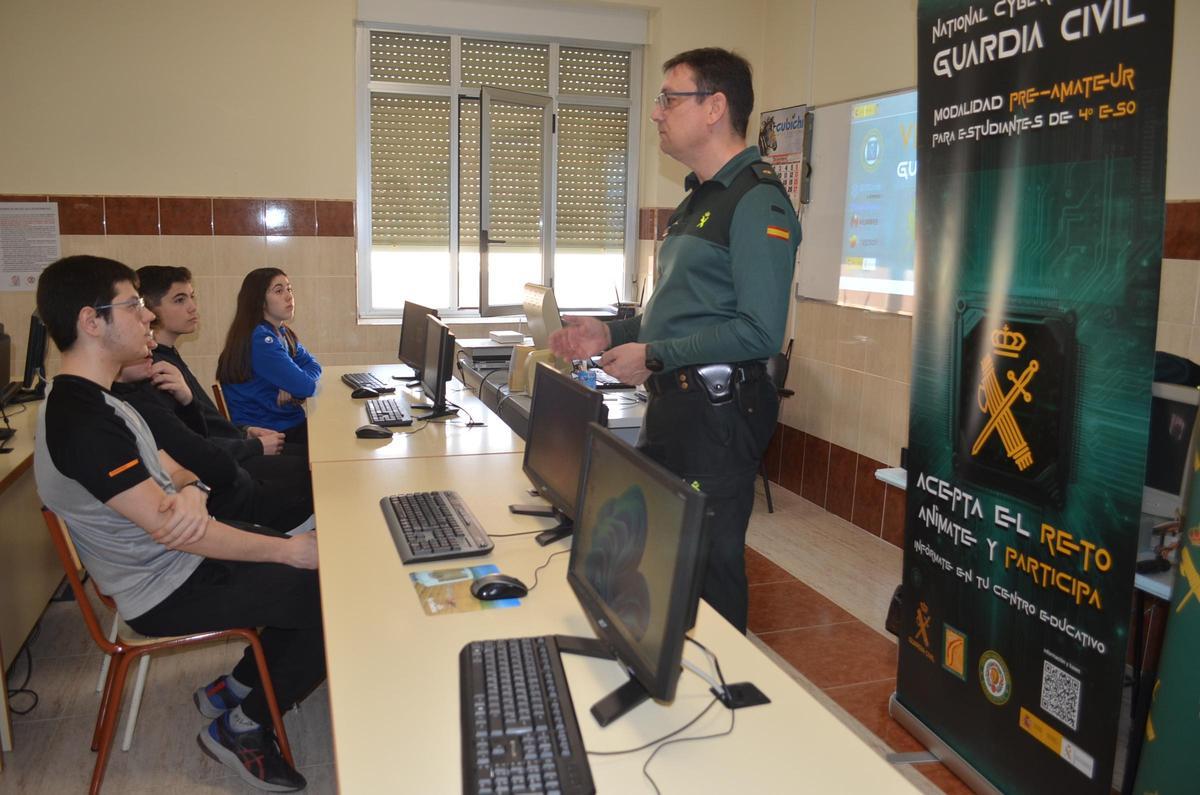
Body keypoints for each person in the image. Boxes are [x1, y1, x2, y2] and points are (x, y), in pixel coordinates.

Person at [33, 255, 323, 791]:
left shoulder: (96, 399)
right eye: (133, 306)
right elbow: (173, 525)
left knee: (305, 565)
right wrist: (288, 551)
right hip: (163, 586)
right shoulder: (81, 420)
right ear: (90, 321)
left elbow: (172, 474)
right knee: (326, 590)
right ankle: (243, 728)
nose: (147, 316)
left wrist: (190, 491)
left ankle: (239, 686)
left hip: (177, 559)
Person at [550, 48, 801, 633]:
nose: (657, 112)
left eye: (669, 98)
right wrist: (610, 333)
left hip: (716, 415)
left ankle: (726, 681)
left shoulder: (756, 199)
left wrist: (656, 355)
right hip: (674, 407)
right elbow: (677, 313)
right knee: (667, 559)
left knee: (709, 570)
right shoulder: (698, 199)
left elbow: (760, 331)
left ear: (715, 107)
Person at [112, 338, 316, 534]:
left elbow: (198, 438)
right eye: (144, 330)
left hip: (233, 470)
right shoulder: (136, 398)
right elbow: (200, 454)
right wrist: (252, 446)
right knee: (316, 475)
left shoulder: (151, 376)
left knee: (316, 466)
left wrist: (188, 402)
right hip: (230, 493)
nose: (152, 344)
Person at [217, 268, 321, 445]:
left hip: (284, 422)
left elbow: (314, 365)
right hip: (269, 434)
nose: (289, 296)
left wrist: (292, 384)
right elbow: (307, 387)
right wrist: (295, 383)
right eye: (279, 291)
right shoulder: (261, 339)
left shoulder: (282, 332)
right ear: (259, 301)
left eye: (289, 289)